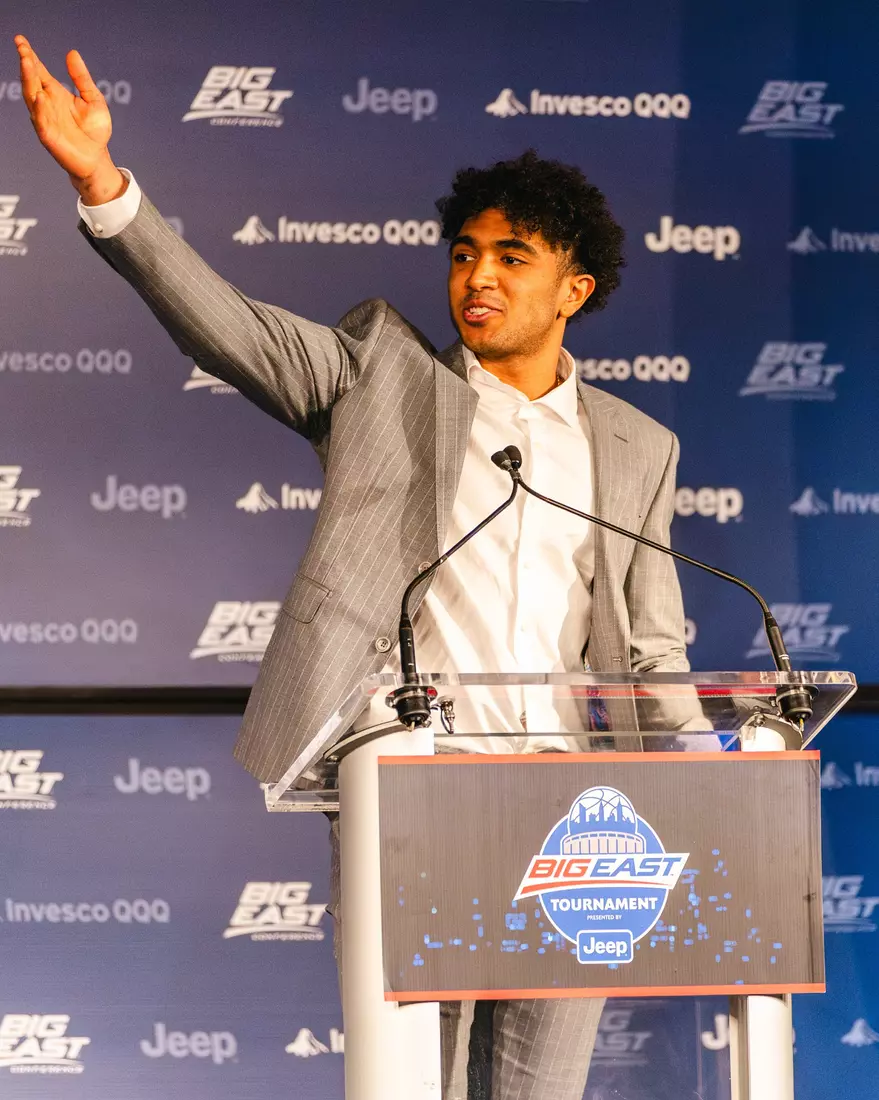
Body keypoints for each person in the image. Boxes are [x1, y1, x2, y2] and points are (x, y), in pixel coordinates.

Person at [14, 35, 693, 1100]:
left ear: (576, 287)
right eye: (465, 251)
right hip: (411, 787)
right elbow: (229, 327)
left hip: (577, 815)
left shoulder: (635, 445)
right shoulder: (381, 372)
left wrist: (707, 792)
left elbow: (654, 651)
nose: (478, 275)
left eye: (513, 258)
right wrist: (105, 183)